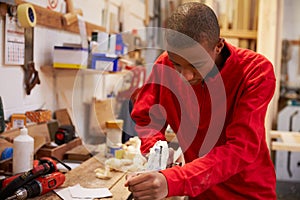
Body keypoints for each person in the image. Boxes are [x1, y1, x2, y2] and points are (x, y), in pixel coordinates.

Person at [124, 2, 276, 200]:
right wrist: (157, 150)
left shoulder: (255, 72)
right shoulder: (164, 64)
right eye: (177, 64)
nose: (186, 76)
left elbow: (239, 149)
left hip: (247, 192)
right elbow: (146, 116)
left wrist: (174, 181)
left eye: (197, 64)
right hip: (198, 191)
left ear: (218, 46)